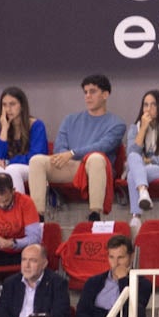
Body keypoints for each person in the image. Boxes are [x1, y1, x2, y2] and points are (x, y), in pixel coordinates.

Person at [30, 76, 128, 217]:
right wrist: (68, 156)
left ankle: (95, 215)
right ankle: (37, 217)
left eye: (93, 91)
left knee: (96, 158)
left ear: (105, 95)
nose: (88, 96)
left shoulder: (117, 124)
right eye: (85, 92)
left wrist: (72, 153)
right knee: (36, 161)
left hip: (97, 168)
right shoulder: (70, 120)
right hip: (71, 166)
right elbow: (60, 147)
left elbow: (102, 146)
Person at [63, 233, 148, 317]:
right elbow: (82, 311)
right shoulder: (94, 282)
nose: (116, 263)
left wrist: (123, 280)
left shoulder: (143, 283)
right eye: (112, 257)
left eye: (121, 257)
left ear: (131, 257)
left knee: (138, 311)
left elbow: (132, 308)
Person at [0, 89, 47, 200]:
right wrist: (4, 129)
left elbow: (35, 157)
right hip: (8, 166)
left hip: (31, 168)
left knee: (13, 170)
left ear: (22, 106)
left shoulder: (36, 126)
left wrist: (8, 162)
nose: (8, 109)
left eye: (12, 104)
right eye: (4, 105)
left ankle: (19, 212)